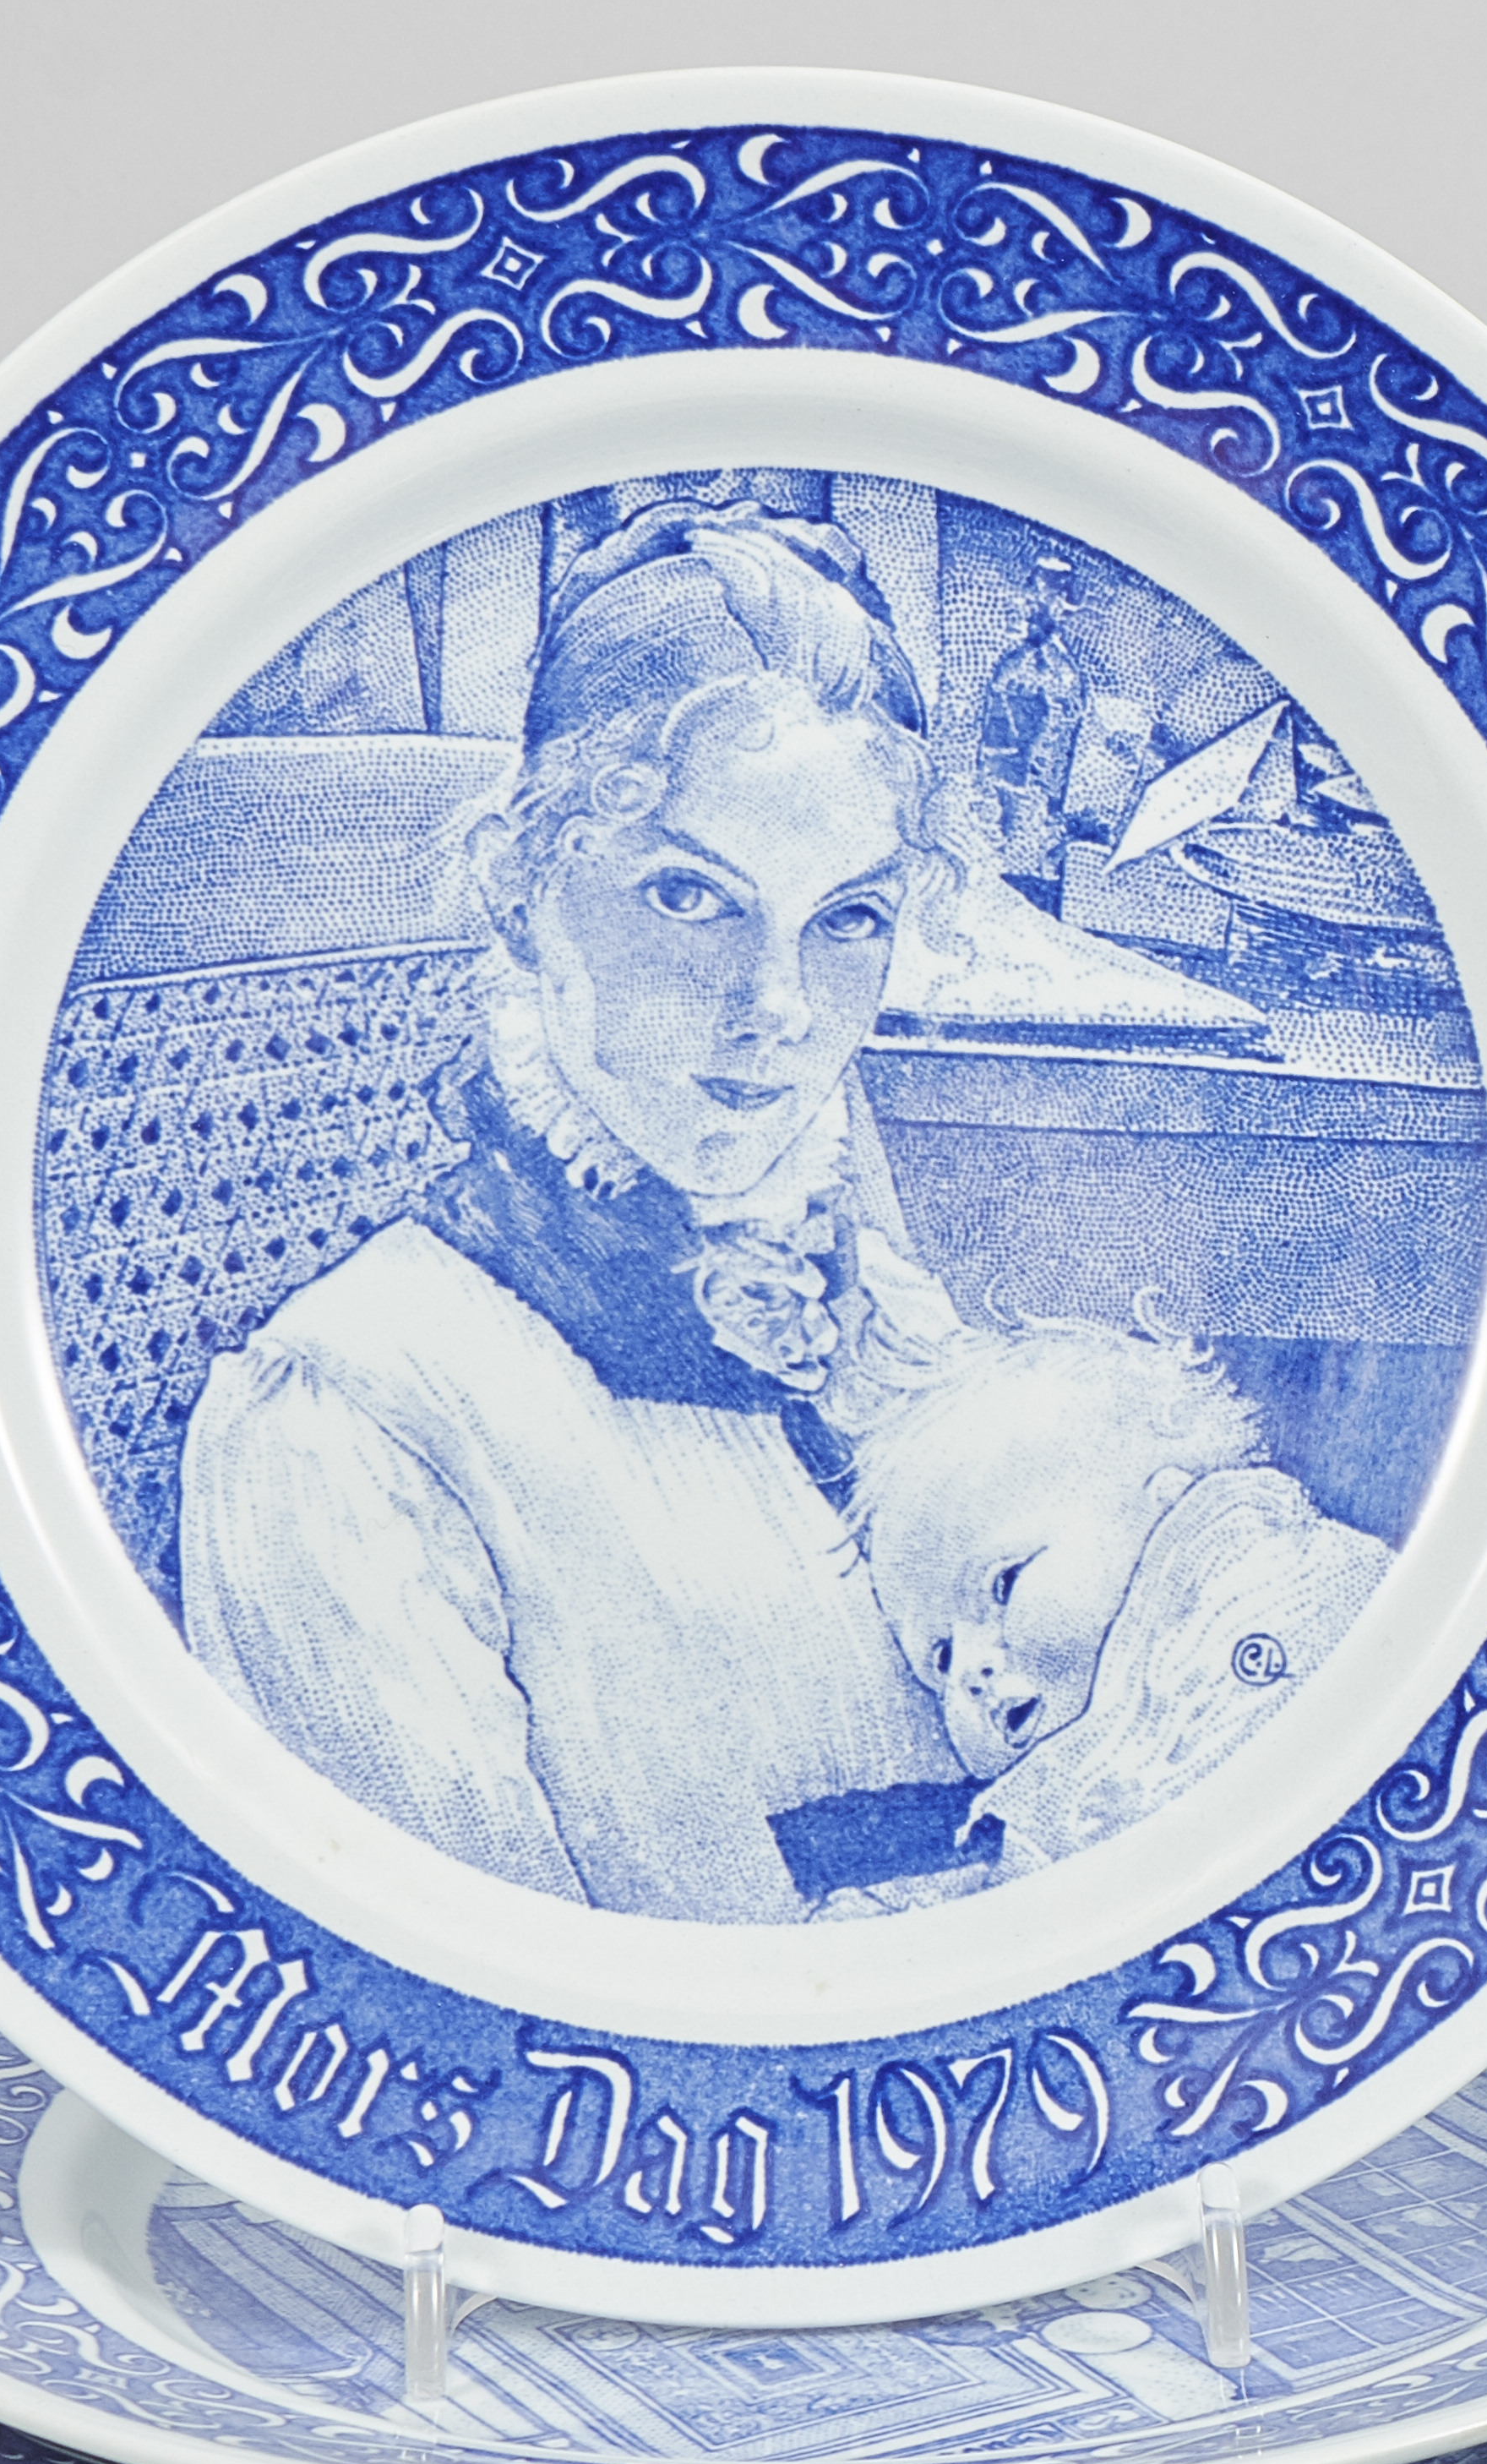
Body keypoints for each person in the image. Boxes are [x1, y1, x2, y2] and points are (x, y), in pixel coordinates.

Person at [178, 501, 984, 1924]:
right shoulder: (341, 1425)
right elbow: (475, 1990)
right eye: (689, 897)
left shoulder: (885, 1306)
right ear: (517, 893)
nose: (778, 1007)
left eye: (847, 919)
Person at [852, 1322, 1392, 1883]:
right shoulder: (1044, 1803)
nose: (969, 1670)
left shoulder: (1264, 1582)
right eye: (940, 1659)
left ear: (1168, 1498)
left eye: (1004, 1584)